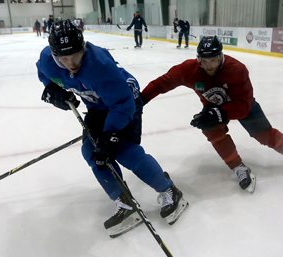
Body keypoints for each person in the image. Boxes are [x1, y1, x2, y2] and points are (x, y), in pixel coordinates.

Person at [36, 20, 188, 238]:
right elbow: (44, 74)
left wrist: (111, 136)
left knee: (124, 151)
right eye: (63, 58)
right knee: (92, 153)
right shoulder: (47, 60)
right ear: (54, 55)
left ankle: (169, 190)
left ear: (83, 48)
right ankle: (125, 203)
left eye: (75, 56)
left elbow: (123, 104)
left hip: (125, 104)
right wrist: (53, 91)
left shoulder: (99, 67)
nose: (71, 63)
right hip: (98, 107)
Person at [141, 36, 283, 193]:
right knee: (211, 130)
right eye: (205, 60)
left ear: (221, 57)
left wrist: (221, 112)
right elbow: (162, 83)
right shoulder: (188, 70)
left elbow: (244, 104)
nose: (209, 65)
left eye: (214, 60)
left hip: (242, 106)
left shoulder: (237, 69)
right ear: (199, 59)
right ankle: (237, 167)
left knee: (265, 136)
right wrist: (141, 99)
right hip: (213, 109)